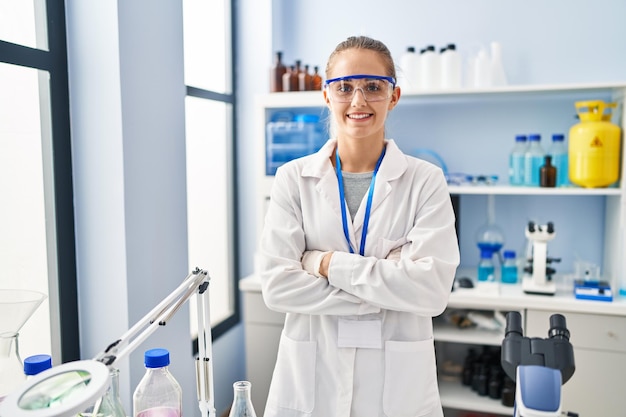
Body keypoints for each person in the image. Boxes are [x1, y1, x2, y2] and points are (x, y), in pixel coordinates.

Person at [258, 35, 460, 417]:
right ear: (326, 95)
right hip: (311, 381)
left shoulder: (426, 181)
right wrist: (393, 284)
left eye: (373, 87)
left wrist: (324, 264)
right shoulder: (292, 179)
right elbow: (277, 286)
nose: (358, 101)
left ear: (394, 96)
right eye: (345, 87)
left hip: (395, 392)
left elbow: (431, 293)